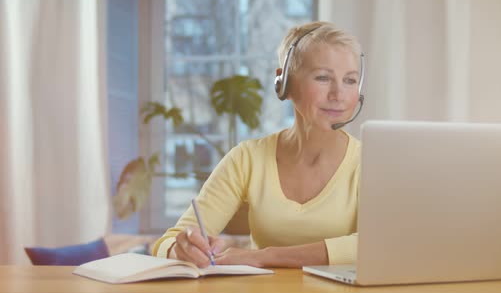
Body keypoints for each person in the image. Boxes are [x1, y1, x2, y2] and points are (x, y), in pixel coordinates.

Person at [152, 21, 364, 268]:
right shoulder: (247, 158)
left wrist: (264, 256)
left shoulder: (370, 161)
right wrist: (182, 248)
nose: (338, 94)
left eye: (350, 80)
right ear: (283, 82)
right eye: (323, 78)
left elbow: (374, 245)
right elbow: (166, 243)